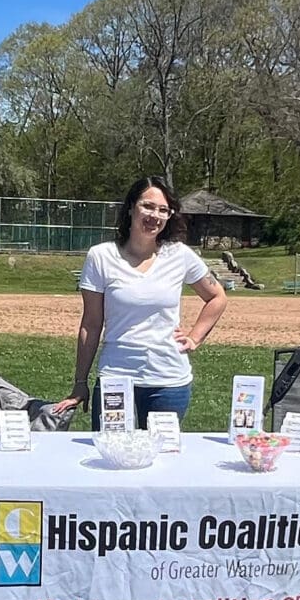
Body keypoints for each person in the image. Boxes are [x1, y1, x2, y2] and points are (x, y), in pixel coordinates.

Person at [53, 176, 228, 428]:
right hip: (116, 378)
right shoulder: (101, 256)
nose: (154, 215)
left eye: (163, 210)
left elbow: (217, 297)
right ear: (131, 207)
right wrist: (80, 382)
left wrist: (195, 337)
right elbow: (91, 324)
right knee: (110, 456)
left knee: (162, 460)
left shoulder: (180, 255)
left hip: (169, 382)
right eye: (147, 206)